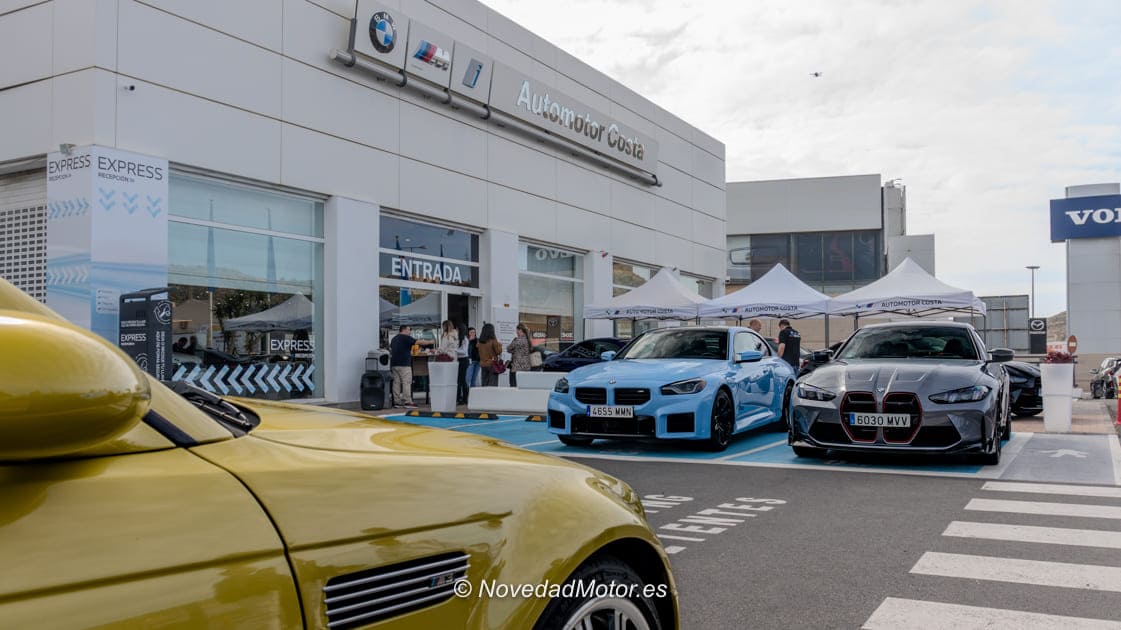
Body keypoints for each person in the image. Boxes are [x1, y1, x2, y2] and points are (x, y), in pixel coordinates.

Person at [389, 324, 432, 408]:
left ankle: (397, 402)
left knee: (396, 383)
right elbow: (419, 342)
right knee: (406, 382)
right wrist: (430, 342)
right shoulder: (406, 337)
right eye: (409, 330)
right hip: (404, 364)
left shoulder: (394, 339)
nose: (410, 331)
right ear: (404, 330)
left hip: (394, 364)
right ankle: (407, 401)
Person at [507, 323, 533, 388]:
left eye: (517, 330)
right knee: (523, 386)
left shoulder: (517, 340)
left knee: (513, 386)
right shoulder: (528, 340)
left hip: (516, 367)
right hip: (526, 367)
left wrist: (514, 351)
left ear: (520, 330)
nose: (516, 332)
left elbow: (508, 349)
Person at [456, 322, 470, 405]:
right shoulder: (458, 339)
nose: (456, 330)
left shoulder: (464, 339)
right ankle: (459, 398)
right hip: (459, 360)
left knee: (463, 380)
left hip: (464, 360)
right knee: (458, 380)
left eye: (457, 329)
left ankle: (465, 398)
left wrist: (454, 350)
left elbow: (464, 352)